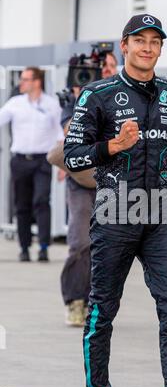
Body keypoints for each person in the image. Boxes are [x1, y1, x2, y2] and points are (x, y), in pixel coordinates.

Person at [64, 14, 167, 387]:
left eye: (155, 42)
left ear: (161, 49)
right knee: (103, 312)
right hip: (115, 211)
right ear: (124, 46)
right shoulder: (98, 94)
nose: (147, 48)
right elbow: (72, 156)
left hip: (161, 214)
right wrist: (114, 145)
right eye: (140, 41)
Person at [48, 53, 118, 327]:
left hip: (113, 180)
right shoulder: (77, 99)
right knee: (80, 242)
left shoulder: (124, 97)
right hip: (83, 181)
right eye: (104, 67)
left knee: (109, 246)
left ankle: (96, 302)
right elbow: (70, 132)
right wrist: (80, 100)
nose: (108, 70)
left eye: (112, 66)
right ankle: (75, 301)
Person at [0, 67, 63, 262]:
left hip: (42, 161)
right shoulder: (15, 103)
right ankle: (24, 247)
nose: (21, 83)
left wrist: (63, 165)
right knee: (22, 205)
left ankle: (43, 246)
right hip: (19, 160)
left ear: (37, 82)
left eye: (25, 79)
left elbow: (61, 135)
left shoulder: (52, 105)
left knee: (42, 201)